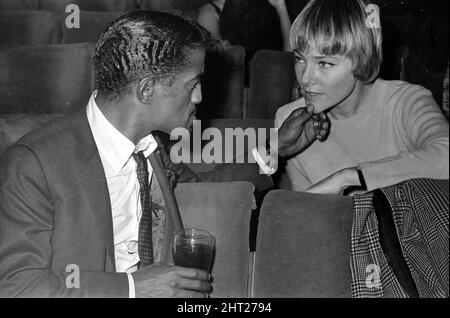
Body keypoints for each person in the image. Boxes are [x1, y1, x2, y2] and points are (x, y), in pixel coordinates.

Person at [0, 11, 329, 297]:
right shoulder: (34, 164)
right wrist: (133, 289)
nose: (199, 97)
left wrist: (276, 149)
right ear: (146, 90)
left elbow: (205, 187)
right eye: (193, 83)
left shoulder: (150, 149)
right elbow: (16, 286)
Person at [275, 0, 449, 194]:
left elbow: (446, 157)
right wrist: (273, 149)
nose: (305, 78)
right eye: (299, 59)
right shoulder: (289, 120)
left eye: (324, 63)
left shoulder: (406, 102)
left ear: (362, 59)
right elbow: (307, 213)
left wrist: (347, 179)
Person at [197, 0, 292, 56]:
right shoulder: (209, 11)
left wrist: (280, 6)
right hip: (238, 81)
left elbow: (290, 57)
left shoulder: (267, 7)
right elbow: (215, 50)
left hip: (275, 76)